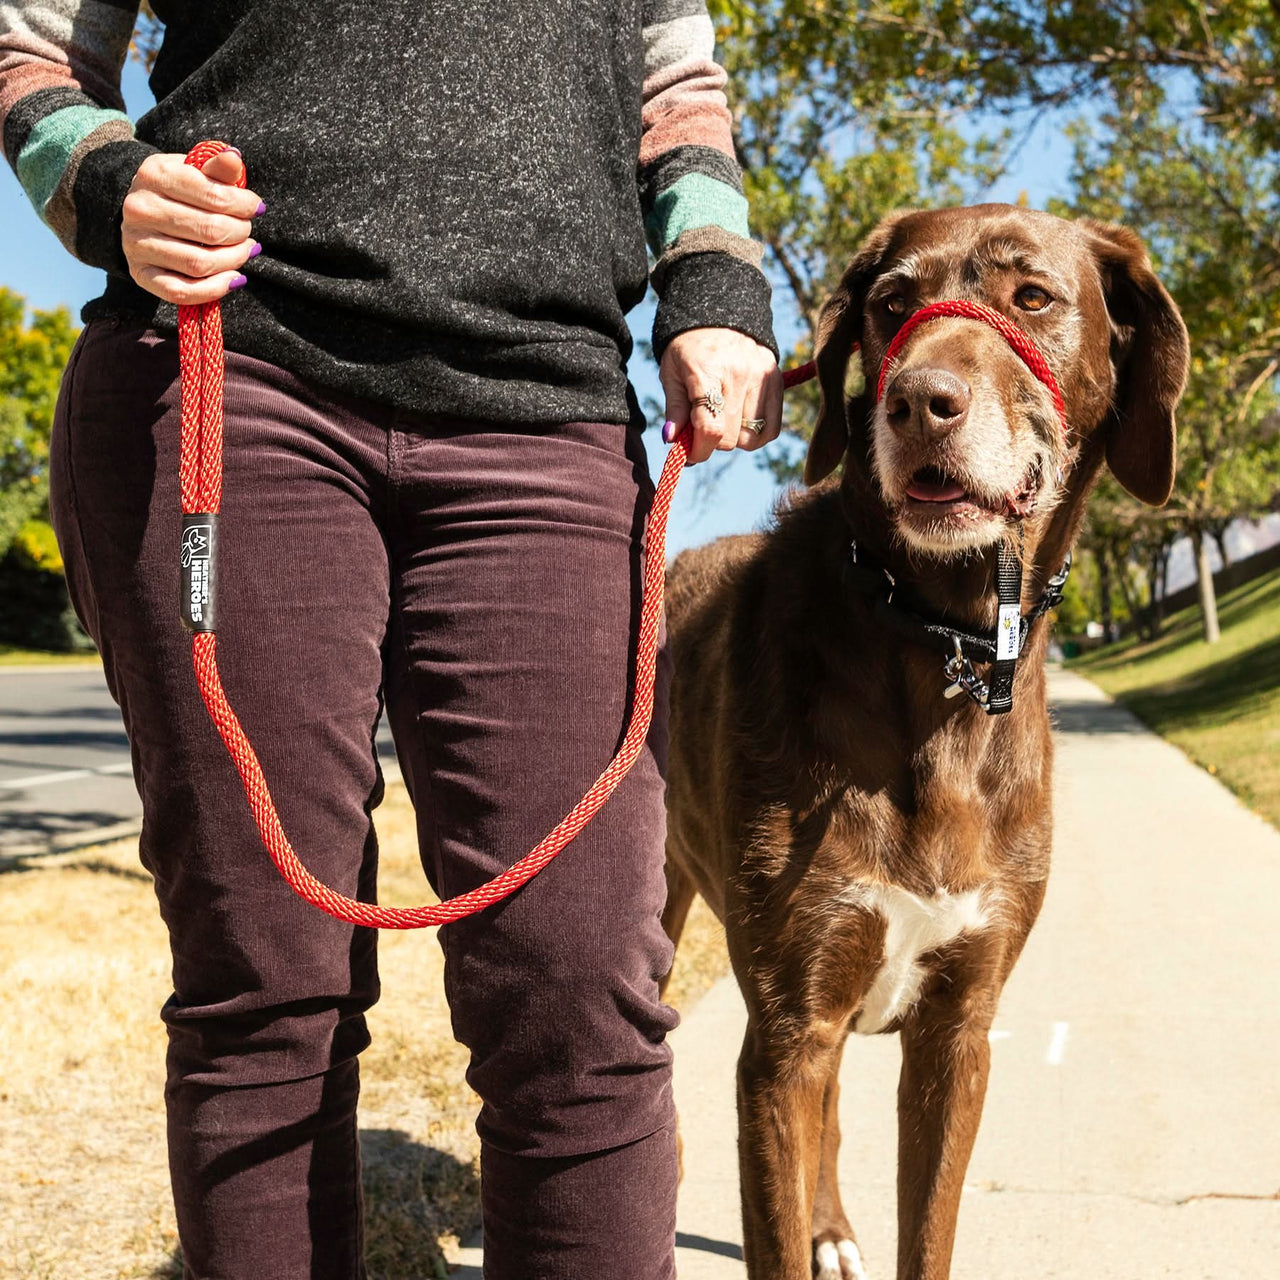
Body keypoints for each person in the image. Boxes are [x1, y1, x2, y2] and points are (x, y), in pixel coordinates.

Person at [1, 2, 780, 1276]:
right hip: (233, 374)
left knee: (579, 990)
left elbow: (674, 90)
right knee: (265, 986)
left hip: (546, 412)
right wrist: (102, 178)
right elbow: (28, 46)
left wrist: (712, 282)